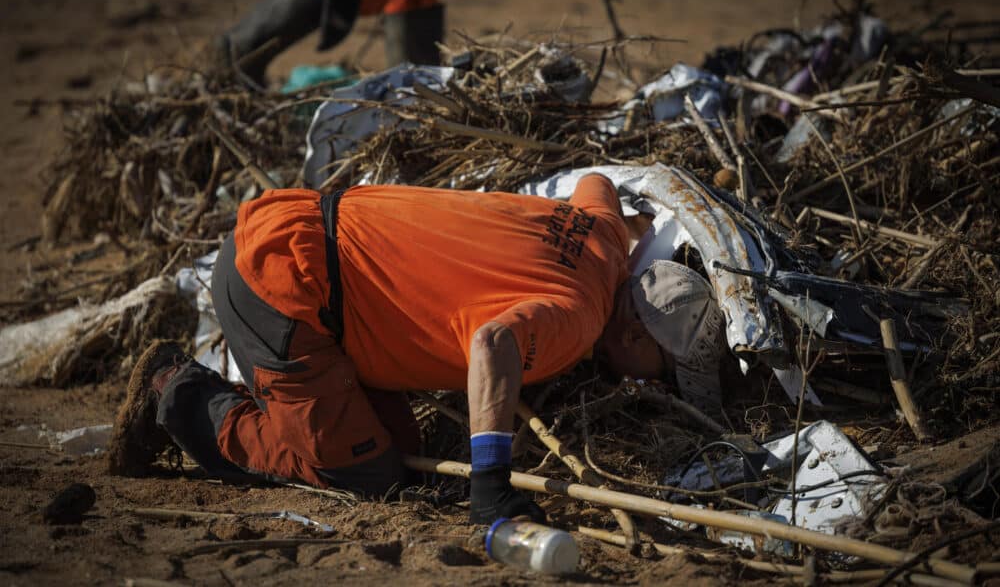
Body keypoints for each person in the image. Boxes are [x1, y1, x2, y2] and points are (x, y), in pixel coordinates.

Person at [108, 174, 726, 525]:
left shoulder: (603, 236)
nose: (657, 385)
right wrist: (489, 480)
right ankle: (179, 392)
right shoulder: (580, 318)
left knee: (401, 455)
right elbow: (493, 343)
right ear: (634, 334)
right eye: (665, 372)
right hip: (282, 284)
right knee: (361, 472)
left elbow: (597, 183)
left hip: (300, 227)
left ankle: (285, 402)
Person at [217, 0, 464, 86]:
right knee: (241, 51)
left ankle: (414, 103)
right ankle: (233, 67)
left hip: (408, 1)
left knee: (414, 86)